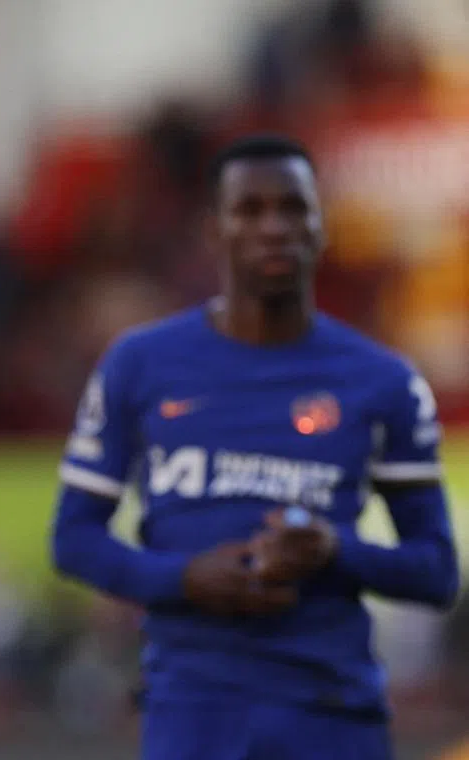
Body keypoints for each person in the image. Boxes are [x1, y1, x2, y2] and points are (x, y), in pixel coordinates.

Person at [50, 133, 459, 760]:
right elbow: (74, 541)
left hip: (332, 712)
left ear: (322, 227)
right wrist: (186, 578)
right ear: (214, 230)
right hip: (192, 714)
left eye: (294, 209)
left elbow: (436, 570)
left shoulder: (384, 380)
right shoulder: (140, 364)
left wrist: (334, 550)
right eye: (251, 210)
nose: (275, 227)